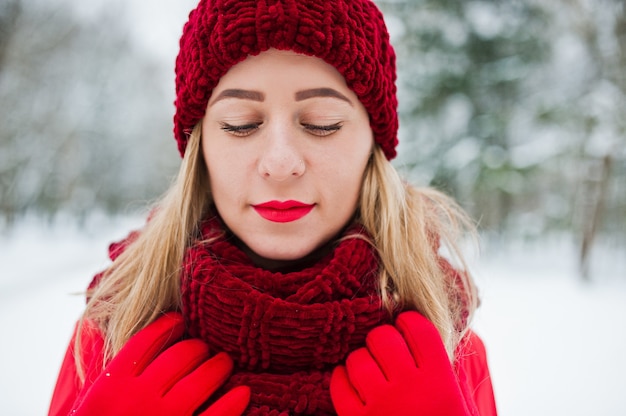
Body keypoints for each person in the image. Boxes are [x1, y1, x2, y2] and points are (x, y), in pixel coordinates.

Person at [48, 0, 497, 415]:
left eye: (322, 124)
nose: (280, 163)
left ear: (372, 144)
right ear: (200, 146)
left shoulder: (446, 344)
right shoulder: (116, 330)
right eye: (241, 125)